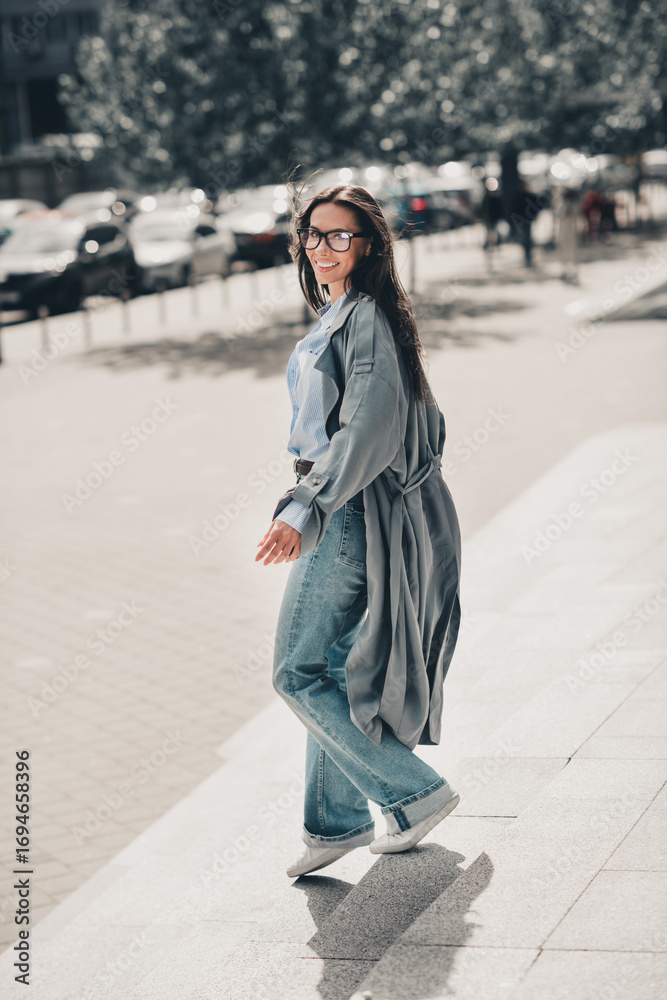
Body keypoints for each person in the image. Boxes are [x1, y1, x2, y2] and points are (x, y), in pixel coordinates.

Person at [254, 184, 462, 878]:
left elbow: (367, 424)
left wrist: (304, 506)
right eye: (313, 234)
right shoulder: (339, 313)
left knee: (295, 671)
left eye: (339, 235)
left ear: (367, 246)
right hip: (339, 501)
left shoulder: (364, 316)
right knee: (329, 670)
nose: (323, 247)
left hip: (342, 509)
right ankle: (334, 821)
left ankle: (413, 793)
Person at [556, 186, 580, 284]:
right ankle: (564, 271)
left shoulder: (573, 206)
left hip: (571, 231)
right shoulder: (562, 205)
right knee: (564, 252)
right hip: (564, 231)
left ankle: (573, 271)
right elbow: (559, 216)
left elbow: (575, 217)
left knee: (572, 252)